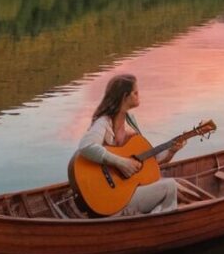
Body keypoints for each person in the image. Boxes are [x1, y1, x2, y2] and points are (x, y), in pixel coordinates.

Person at [75, 74, 184, 215]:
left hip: (126, 190)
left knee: (164, 182)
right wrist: (121, 162)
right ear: (124, 97)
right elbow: (86, 146)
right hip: (110, 197)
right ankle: (159, 219)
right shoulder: (104, 122)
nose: (139, 95)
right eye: (135, 93)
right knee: (170, 185)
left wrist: (172, 151)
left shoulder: (130, 121)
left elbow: (151, 162)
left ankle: (154, 216)